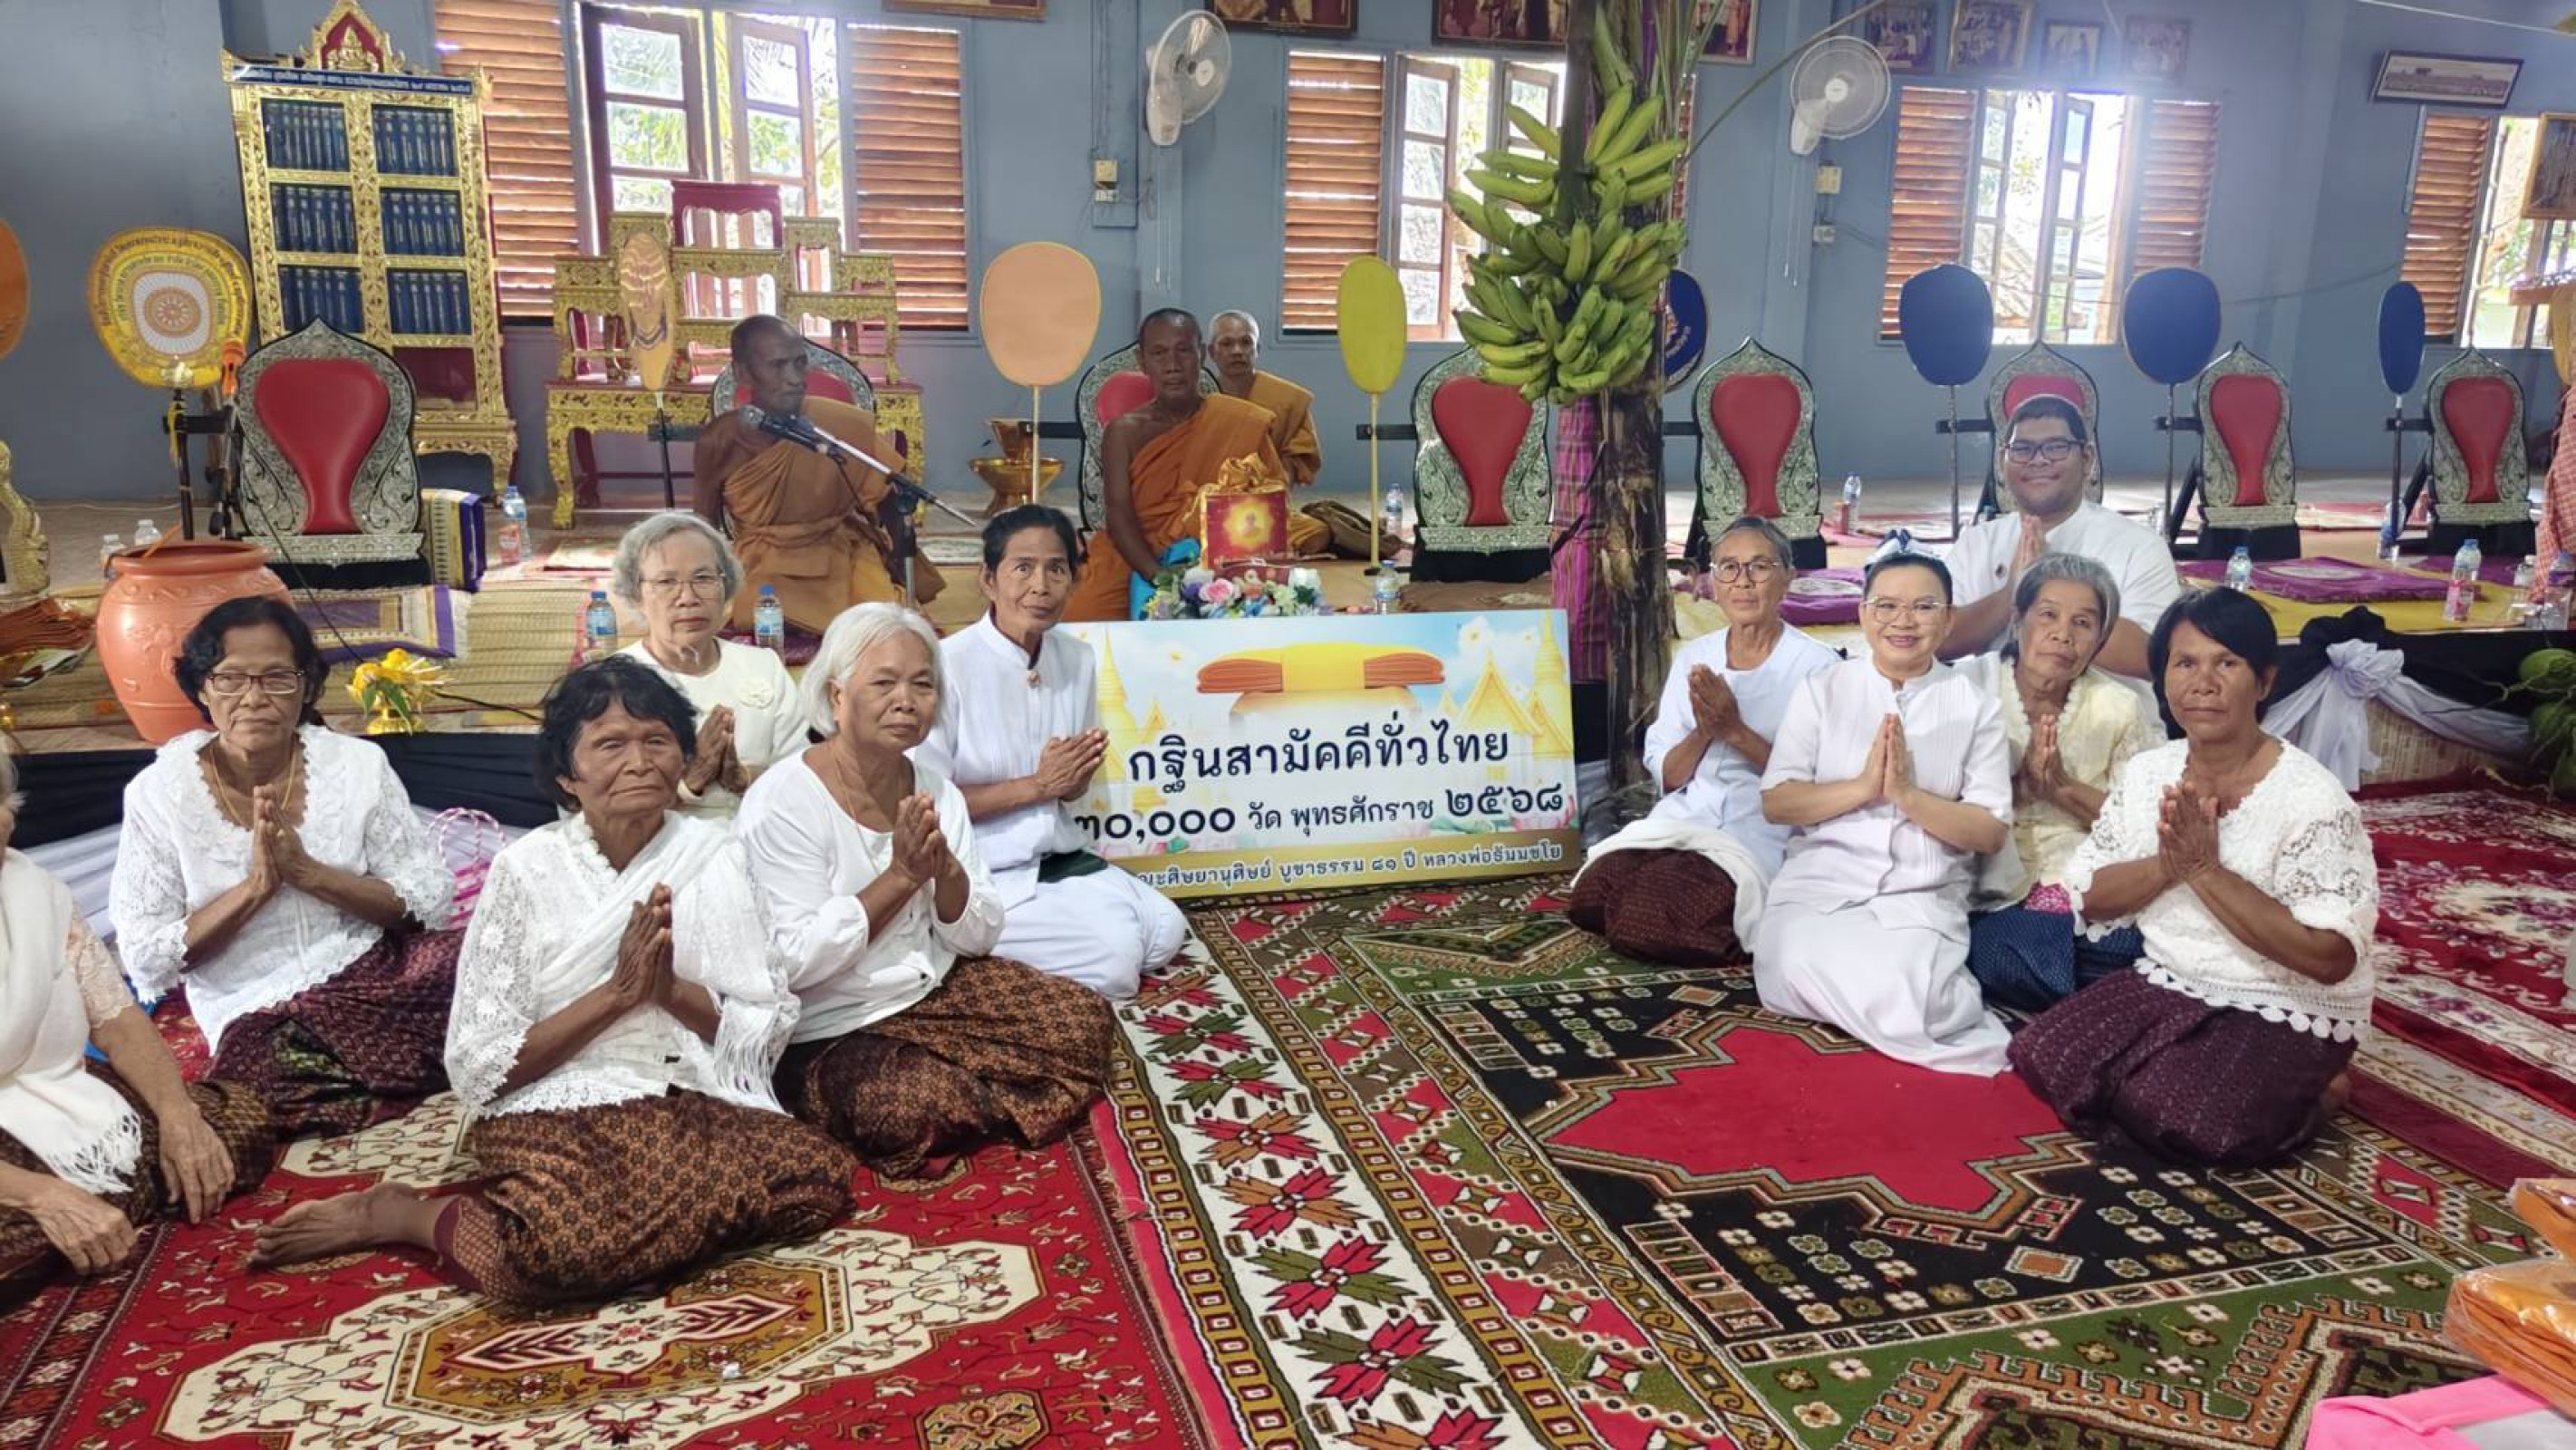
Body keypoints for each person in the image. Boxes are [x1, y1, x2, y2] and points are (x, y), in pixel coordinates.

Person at [251, 659, 854, 1299]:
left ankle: (634, 1233)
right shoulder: (525, 871)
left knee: (815, 1182)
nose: (640, 761)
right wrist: (615, 996)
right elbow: (481, 1066)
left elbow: (762, 1029)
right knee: (547, 1255)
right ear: (569, 776)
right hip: (561, 1099)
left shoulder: (716, 856)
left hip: (683, 1088)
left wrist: (666, 991)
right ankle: (410, 1214)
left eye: (657, 741)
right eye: (610, 745)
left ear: (683, 758)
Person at [737, 604, 1118, 1176]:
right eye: (884, 683)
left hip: (928, 991)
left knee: (1083, 1018)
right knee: (908, 1108)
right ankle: (944, 1087)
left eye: (923, 685)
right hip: (828, 1022)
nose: (906, 701)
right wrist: (899, 879)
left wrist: (944, 871)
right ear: (837, 696)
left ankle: (958, 1081)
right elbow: (791, 963)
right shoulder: (784, 801)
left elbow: (980, 934)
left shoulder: (936, 790)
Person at [2010, 591, 2378, 1166]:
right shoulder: (2149, 772)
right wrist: (2170, 864)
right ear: (2164, 680)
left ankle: (2320, 1092)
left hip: (2281, 1000)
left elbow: (2330, 959)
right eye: (2185, 664)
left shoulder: (2311, 799)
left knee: (2180, 1120)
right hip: (2172, 979)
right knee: (2042, 1055)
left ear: (2264, 681)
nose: (2202, 682)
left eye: (2226, 663)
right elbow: (2092, 899)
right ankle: (2183, 1068)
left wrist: (2207, 871)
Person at [111, 597, 459, 1137]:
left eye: (277, 678)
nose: (254, 698)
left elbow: (428, 895)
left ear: (305, 687)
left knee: (479, 963)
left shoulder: (357, 766)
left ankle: (370, 1081)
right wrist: (255, 889)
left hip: (375, 972)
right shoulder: (158, 794)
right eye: (230, 679)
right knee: (257, 1086)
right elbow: (146, 958)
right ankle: (400, 1074)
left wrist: (311, 875)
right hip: (261, 1010)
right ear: (202, 688)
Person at [1, 752, 277, 1290]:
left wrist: (179, 1118)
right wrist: (42, 1194)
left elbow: (116, 1018)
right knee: (26, 1236)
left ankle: (88, 1211)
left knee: (233, 1130)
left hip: (56, 1094)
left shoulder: (32, 891)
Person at [1753, 552, 2016, 1075]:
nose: (1903, 621)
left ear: (1949, 620)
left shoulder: (1973, 704)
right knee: (1783, 969)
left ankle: (1902, 1002)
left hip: (1919, 895)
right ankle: (1884, 1002)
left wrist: (1907, 796)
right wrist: (1862, 788)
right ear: (1863, 614)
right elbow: (1778, 801)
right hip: (1822, 888)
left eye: (1923, 607)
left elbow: (1987, 831)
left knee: (1911, 999)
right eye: (1887, 606)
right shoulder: (1824, 691)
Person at [915, 507, 1188, 999]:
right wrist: (1038, 786)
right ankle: (956, 943)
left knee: (1165, 931)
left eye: (1056, 569)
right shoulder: (945, 667)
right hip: (981, 868)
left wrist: (1074, 778)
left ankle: (1032, 934)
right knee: (1114, 967)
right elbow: (926, 804)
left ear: (1074, 579)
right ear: (987, 579)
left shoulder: (1075, 657)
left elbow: (1068, 791)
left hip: (1054, 857)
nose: (1040, 585)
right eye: (1022, 568)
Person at [1572, 517, 1838, 964]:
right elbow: (1671, 776)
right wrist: (1704, 730)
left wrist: (1735, 731)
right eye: (1728, 569)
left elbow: (1818, 786)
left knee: (1644, 916)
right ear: (1713, 582)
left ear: (1788, 577)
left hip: (1761, 829)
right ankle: (1678, 896)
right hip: (1688, 815)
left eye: (1759, 567)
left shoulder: (1818, 666)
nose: (1744, 582)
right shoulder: (1697, 657)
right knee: (1592, 897)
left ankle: (1750, 937)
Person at [1960, 555, 2160, 1009]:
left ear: (2100, 640)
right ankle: (2132, 1006)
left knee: (2151, 939)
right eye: (2047, 614)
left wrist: (2062, 788)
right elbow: (1937, 803)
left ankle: (2113, 1002)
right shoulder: (1965, 688)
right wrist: (2016, 788)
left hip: (2084, 879)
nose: (2062, 635)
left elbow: (2142, 824)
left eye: (2083, 623)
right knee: (1992, 954)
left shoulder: (2119, 707)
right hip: (1984, 877)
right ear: (2017, 621)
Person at [691, 314, 944, 633]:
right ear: (744, 373)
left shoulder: (837, 423)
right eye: (778, 366)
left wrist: (896, 560)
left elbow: (886, 497)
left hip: (840, 551)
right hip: (768, 564)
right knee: (767, 616)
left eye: (800, 364)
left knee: (888, 626)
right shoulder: (720, 439)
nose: (795, 378)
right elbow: (702, 524)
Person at [1066, 309, 1288, 622]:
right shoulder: (1125, 430)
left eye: (1183, 351)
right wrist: (1160, 578)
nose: (1172, 365)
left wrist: (1217, 574)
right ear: (1143, 362)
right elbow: (1119, 516)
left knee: (1265, 608)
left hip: (1216, 555)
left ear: (1201, 355)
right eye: (1159, 353)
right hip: (1134, 552)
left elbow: (1267, 505)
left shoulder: (1239, 422)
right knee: (1081, 612)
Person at [1939, 396, 2178, 679]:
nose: (2038, 460)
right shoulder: (1976, 543)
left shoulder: (2139, 546)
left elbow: (2152, 657)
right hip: (1994, 715)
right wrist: (2010, 596)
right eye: (2022, 449)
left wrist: (2041, 591)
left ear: (2087, 459)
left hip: (2103, 718)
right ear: (2003, 463)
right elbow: (1936, 641)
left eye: (2055, 448)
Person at [613, 511, 804, 819]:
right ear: (636, 595)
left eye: (703, 579)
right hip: (661, 857)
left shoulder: (762, 666)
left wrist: (743, 779)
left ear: (725, 586)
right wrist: (690, 780)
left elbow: (802, 779)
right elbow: (597, 813)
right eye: (666, 581)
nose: (688, 597)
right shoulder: (611, 684)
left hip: (761, 843)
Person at [1209, 311, 1331, 556]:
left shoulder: (1286, 399)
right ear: (1211, 352)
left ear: (1257, 349)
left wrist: (1268, 492)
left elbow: (1297, 457)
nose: (1237, 351)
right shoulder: (1201, 396)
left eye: (1246, 342)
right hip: (1212, 499)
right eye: (1227, 343)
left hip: (1264, 503)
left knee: (1315, 533)